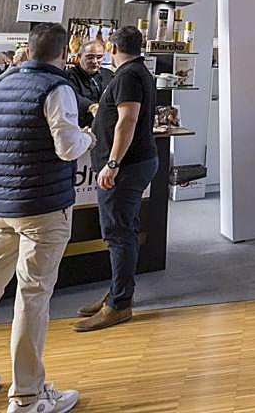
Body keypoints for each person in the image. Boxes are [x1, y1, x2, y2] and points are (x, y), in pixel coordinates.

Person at [0, 22, 92, 413]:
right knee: (32, 296)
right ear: (64, 54)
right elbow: (68, 147)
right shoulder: (58, 88)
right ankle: (28, 395)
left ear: (28, 49)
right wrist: (89, 136)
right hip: (44, 206)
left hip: (1, 207)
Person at [74, 26, 158, 332]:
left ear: (112, 47)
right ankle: (117, 291)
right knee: (124, 230)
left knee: (118, 233)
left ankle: (120, 304)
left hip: (126, 166)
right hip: (134, 163)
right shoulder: (137, 72)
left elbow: (128, 119)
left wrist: (112, 162)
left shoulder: (127, 76)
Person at [64, 40, 111, 128]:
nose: (95, 61)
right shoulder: (68, 76)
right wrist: (91, 107)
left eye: (99, 57)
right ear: (79, 57)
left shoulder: (108, 75)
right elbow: (72, 96)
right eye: (90, 57)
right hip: (79, 128)